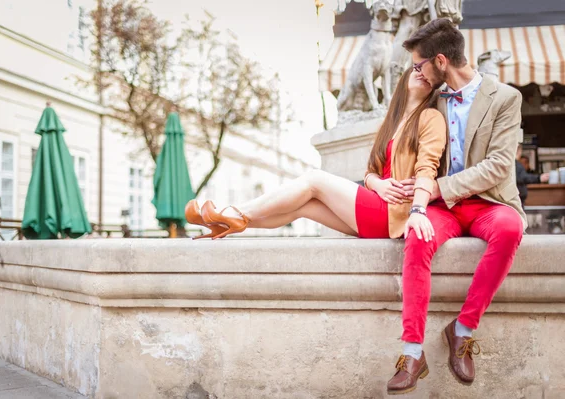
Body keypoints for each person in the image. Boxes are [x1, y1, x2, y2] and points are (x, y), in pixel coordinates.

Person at [385, 18, 527, 395]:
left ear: (441, 60)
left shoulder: (506, 98)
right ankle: (412, 352)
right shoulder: (430, 97)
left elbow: (498, 166)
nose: (416, 72)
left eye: (419, 64)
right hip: (443, 209)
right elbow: (396, 147)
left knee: (512, 229)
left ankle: (462, 330)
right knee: (417, 237)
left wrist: (436, 189)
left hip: (488, 202)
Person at [185, 67, 446, 250]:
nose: (421, 73)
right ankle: (225, 223)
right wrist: (378, 184)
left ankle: (234, 213)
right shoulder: (390, 123)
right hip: (378, 203)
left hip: (393, 213)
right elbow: (370, 173)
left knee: (313, 180)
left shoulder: (430, 118)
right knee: (303, 207)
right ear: (403, 80)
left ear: (435, 87)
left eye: (428, 75)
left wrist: (416, 206)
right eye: (415, 69)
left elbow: (428, 166)